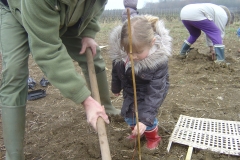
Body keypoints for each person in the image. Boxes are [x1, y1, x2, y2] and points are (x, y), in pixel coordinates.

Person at [0, 0, 120, 159]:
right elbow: (48, 51)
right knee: (14, 72)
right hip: (16, 12)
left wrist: (88, 33)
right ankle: (13, 155)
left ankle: (106, 109)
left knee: (91, 53)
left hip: (63, 18)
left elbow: (95, 6)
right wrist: (85, 99)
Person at [108, 15, 172, 152]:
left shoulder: (158, 63)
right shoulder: (121, 54)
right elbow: (116, 71)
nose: (132, 56)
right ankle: (138, 133)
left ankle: (153, 137)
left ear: (152, 42)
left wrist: (144, 120)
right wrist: (116, 86)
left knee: (145, 118)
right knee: (130, 115)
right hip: (130, 91)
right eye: (128, 52)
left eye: (137, 53)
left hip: (149, 93)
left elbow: (156, 92)